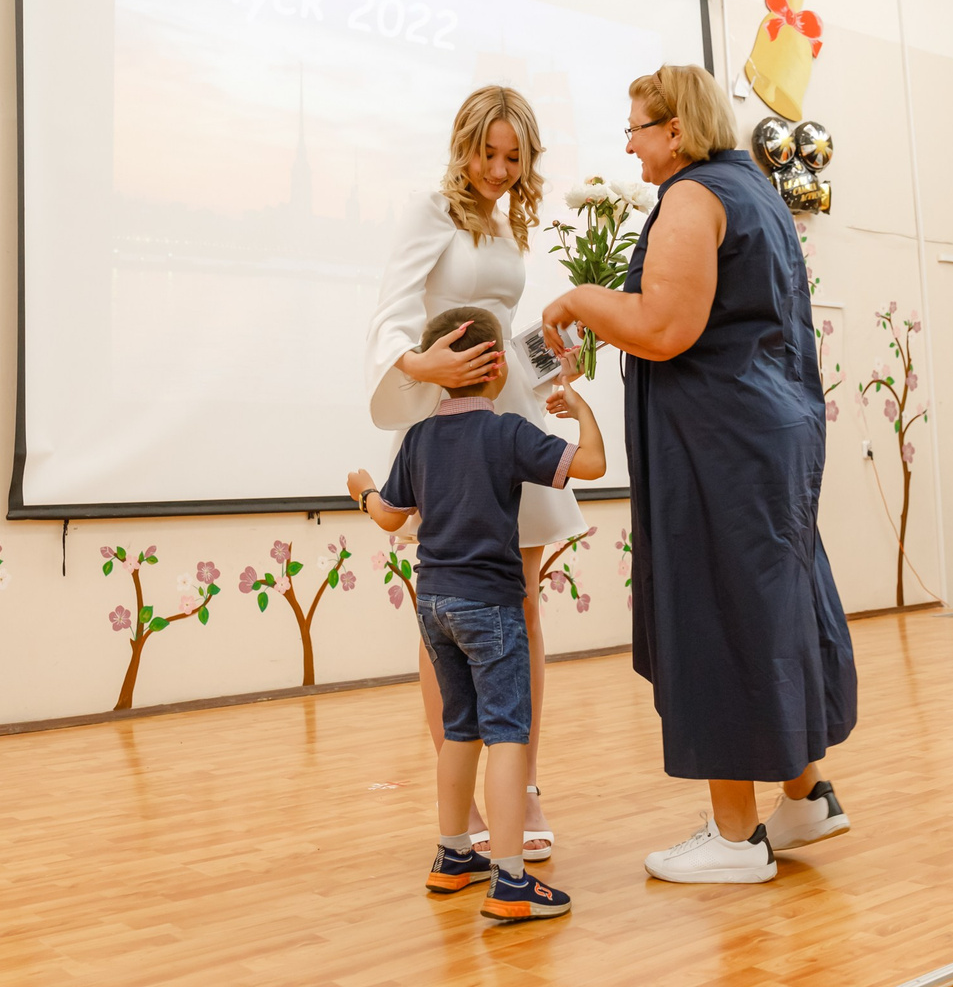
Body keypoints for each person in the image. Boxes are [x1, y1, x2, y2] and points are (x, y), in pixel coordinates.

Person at [540, 64, 857, 885]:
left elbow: (664, 326)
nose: (630, 147)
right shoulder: (757, 194)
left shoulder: (692, 196)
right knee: (766, 607)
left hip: (722, 444)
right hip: (762, 435)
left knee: (719, 612)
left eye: (636, 130)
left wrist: (578, 299)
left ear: (675, 130)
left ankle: (735, 837)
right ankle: (805, 797)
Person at [364, 86, 581, 859]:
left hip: (509, 414)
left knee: (522, 606)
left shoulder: (505, 223)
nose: (497, 169)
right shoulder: (432, 212)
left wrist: (552, 360)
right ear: (464, 145)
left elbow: (503, 332)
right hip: (446, 423)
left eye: (512, 158)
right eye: (487, 153)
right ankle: (461, 796)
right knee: (446, 618)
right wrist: (418, 363)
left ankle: (524, 783)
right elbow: (391, 313)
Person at [347, 305, 605, 922]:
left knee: (460, 730)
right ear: (497, 371)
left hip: (433, 603)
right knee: (508, 735)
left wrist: (362, 490)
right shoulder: (509, 433)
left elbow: (389, 517)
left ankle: (454, 855)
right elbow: (591, 465)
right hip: (491, 606)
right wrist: (581, 411)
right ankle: (511, 881)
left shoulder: (418, 439)